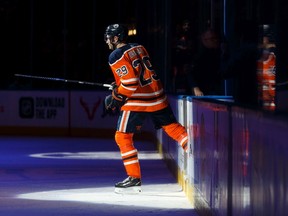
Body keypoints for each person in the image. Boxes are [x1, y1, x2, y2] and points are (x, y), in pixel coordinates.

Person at [103, 23, 189, 194]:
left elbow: (130, 84)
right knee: (174, 129)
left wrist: (115, 97)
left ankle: (134, 179)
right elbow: (136, 73)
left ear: (115, 38)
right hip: (157, 95)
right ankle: (196, 151)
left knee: (122, 137)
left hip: (138, 100)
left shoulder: (115, 55)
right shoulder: (139, 47)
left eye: (108, 37)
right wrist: (118, 84)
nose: (106, 41)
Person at [188, 28, 224, 96]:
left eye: (216, 38)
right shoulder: (200, 56)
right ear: (204, 41)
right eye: (212, 38)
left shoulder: (220, 52)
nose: (215, 40)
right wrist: (195, 88)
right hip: (205, 91)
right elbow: (190, 73)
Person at [172, 19, 196, 94]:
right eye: (185, 25)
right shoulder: (178, 36)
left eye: (188, 25)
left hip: (188, 60)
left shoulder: (191, 36)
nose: (186, 27)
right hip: (179, 61)